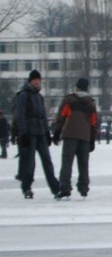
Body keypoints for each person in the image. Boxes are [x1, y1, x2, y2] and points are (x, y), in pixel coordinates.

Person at [15, 70, 60, 199]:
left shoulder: (39, 96)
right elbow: (20, 115)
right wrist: (23, 134)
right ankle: (26, 187)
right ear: (30, 81)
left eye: (38, 81)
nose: (37, 82)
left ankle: (55, 188)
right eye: (34, 80)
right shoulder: (24, 95)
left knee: (47, 161)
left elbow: (43, 116)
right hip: (29, 133)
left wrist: (47, 132)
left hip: (40, 132)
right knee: (30, 163)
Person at [52, 77, 98, 199]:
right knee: (83, 163)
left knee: (67, 162)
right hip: (85, 137)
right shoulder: (91, 103)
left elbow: (61, 116)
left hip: (70, 135)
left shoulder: (69, 100)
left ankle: (65, 187)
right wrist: (92, 139)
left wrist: (57, 132)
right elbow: (94, 122)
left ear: (77, 87)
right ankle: (83, 188)